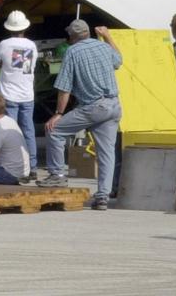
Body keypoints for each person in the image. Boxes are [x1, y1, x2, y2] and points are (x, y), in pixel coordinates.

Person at [39, 20, 123, 211]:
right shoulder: (103, 46)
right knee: (106, 153)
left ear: (72, 36)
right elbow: (119, 60)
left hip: (93, 107)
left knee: (54, 131)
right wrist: (108, 36)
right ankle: (102, 197)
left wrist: (58, 113)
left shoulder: (72, 52)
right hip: (114, 105)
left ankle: (57, 175)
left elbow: (64, 87)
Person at [0, 9, 38, 177]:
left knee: (10, 132)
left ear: (8, 28)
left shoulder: (4, 44)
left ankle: (15, 168)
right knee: (28, 132)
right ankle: (32, 167)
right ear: (25, 27)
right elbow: (27, 66)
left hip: (9, 96)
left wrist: (4, 64)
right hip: (27, 96)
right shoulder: (31, 45)